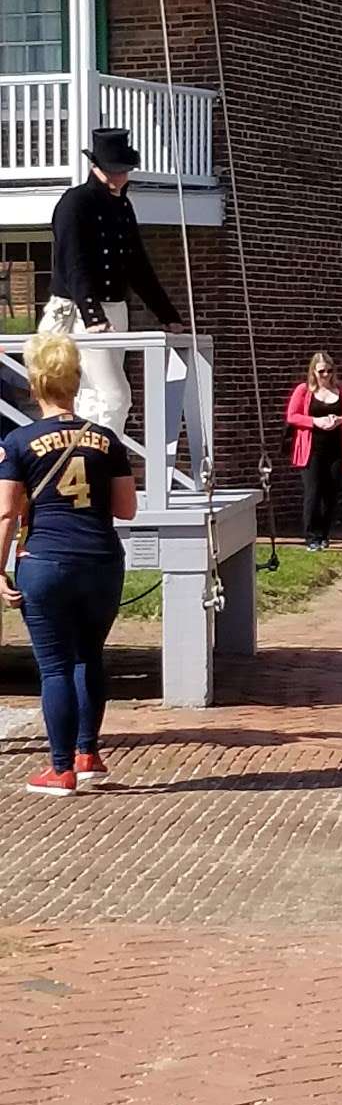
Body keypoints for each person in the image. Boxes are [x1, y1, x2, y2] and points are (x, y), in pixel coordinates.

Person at [0, 334, 137, 796]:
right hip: (101, 559)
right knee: (88, 657)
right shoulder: (106, 440)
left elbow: (6, 513)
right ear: (76, 383)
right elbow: (125, 509)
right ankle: (88, 753)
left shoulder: (18, 441)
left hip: (46, 560)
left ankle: (60, 769)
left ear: (35, 384)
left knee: (54, 666)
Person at [40, 126, 182, 438]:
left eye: (124, 171)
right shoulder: (75, 203)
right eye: (113, 171)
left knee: (97, 394)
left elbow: (137, 266)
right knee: (112, 396)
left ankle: (94, 460)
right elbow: (74, 264)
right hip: (79, 310)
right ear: (96, 167)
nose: (120, 178)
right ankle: (102, 460)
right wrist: (93, 316)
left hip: (114, 307)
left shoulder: (122, 207)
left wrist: (168, 315)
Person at [286, 351, 342, 551]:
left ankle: (325, 534)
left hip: (335, 448)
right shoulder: (304, 391)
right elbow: (292, 416)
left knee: (331, 493)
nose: (326, 375)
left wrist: (340, 420)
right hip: (311, 449)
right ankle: (311, 536)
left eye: (329, 370)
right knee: (313, 492)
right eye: (321, 371)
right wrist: (314, 421)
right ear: (313, 372)